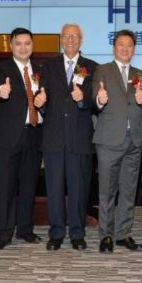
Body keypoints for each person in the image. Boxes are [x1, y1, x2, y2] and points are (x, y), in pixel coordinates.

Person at [38, 23, 98, 251]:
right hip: (53, 136)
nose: (71, 39)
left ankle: (77, 233)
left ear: (81, 40)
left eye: (75, 36)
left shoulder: (92, 67)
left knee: (78, 189)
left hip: (79, 137)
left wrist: (84, 99)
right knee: (54, 189)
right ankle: (56, 233)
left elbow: (97, 101)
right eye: (66, 36)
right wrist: (40, 102)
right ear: (61, 39)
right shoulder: (48, 66)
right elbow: (42, 94)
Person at [92, 30, 142, 253]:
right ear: (114, 48)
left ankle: (123, 234)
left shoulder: (141, 74)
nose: (125, 49)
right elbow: (95, 98)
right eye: (121, 45)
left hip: (134, 139)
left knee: (128, 190)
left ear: (134, 49)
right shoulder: (102, 70)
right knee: (107, 191)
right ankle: (106, 235)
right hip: (109, 139)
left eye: (129, 45)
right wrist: (100, 99)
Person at [0, 27, 45, 250]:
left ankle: (25, 230)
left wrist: (44, 101)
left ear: (32, 46)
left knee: (29, 186)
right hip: (9, 136)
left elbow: (44, 98)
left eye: (27, 43)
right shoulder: (2, 68)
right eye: (18, 43)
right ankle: (3, 234)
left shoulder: (39, 70)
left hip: (34, 134)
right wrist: (1, 91)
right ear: (11, 45)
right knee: (6, 187)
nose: (23, 47)